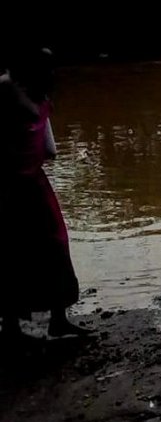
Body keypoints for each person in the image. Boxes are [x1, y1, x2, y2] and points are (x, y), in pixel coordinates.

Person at [0, 47, 87, 350]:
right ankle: (29, 323)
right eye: (47, 70)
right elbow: (48, 147)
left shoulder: (24, 97)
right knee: (31, 250)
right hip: (16, 184)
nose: (52, 75)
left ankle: (42, 321)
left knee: (40, 249)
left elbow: (49, 148)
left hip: (25, 183)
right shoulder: (15, 96)